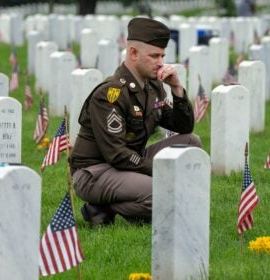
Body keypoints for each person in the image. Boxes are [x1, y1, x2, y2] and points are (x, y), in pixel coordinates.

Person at [69, 17, 202, 226]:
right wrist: (163, 171)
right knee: (164, 194)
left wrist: (177, 88)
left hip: (129, 163)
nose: (161, 62)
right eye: (154, 56)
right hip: (96, 172)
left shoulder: (153, 86)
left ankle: (106, 207)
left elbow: (183, 127)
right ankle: (102, 206)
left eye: (162, 56)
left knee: (190, 142)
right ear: (133, 53)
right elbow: (116, 154)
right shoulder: (110, 93)